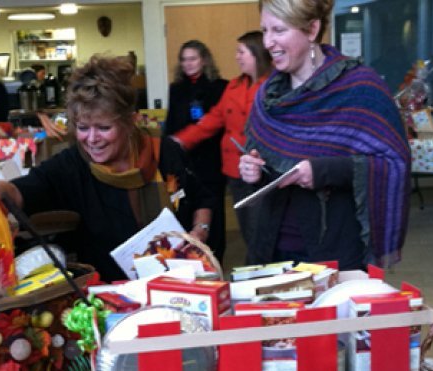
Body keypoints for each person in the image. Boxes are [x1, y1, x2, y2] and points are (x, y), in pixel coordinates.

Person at [0, 56, 215, 282]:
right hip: (111, 297)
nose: (92, 139)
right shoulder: (72, 166)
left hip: (182, 284)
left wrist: (200, 231)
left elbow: (201, 198)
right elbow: (22, 191)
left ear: (130, 121)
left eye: (104, 127)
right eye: (83, 127)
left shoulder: (164, 152)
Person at [238, 0, 411, 270]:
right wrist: (253, 171)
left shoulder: (359, 87)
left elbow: (393, 163)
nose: (268, 42)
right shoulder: (268, 95)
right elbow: (265, 162)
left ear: (311, 29)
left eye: (279, 30)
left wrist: (322, 170)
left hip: (332, 252)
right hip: (270, 250)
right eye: (265, 31)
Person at [171, 31, 272, 260]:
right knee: (248, 229)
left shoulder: (274, 85)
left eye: (241, 52)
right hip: (235, 171)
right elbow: (212, 120)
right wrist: (180, 140)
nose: (237, 57)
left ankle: (261, 272)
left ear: (257, 54)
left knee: (262, 230)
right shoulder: (235, 86)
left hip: (263, 170)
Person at [164, 40, 228, 261]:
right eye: (184, 59)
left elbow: (219, 126)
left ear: (204, 60)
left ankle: (215, 259)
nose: (188, 64)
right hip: (184, 161)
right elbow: (171, 124)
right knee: (185, 209)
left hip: (211, 161)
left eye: (193, 58)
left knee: (214, 213)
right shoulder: (176, 89)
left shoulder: (220, 86)